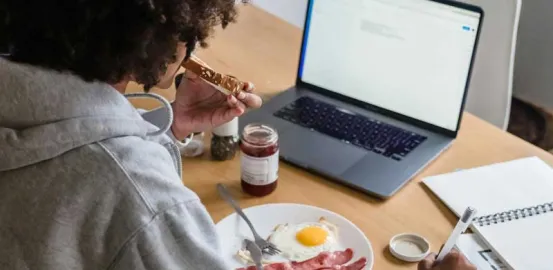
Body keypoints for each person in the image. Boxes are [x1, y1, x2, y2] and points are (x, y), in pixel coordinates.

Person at [0, 0, 476, 269]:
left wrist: (161, 129)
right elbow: (125, 197)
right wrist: (134, 156)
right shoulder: (143, 203)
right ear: (158, 31)